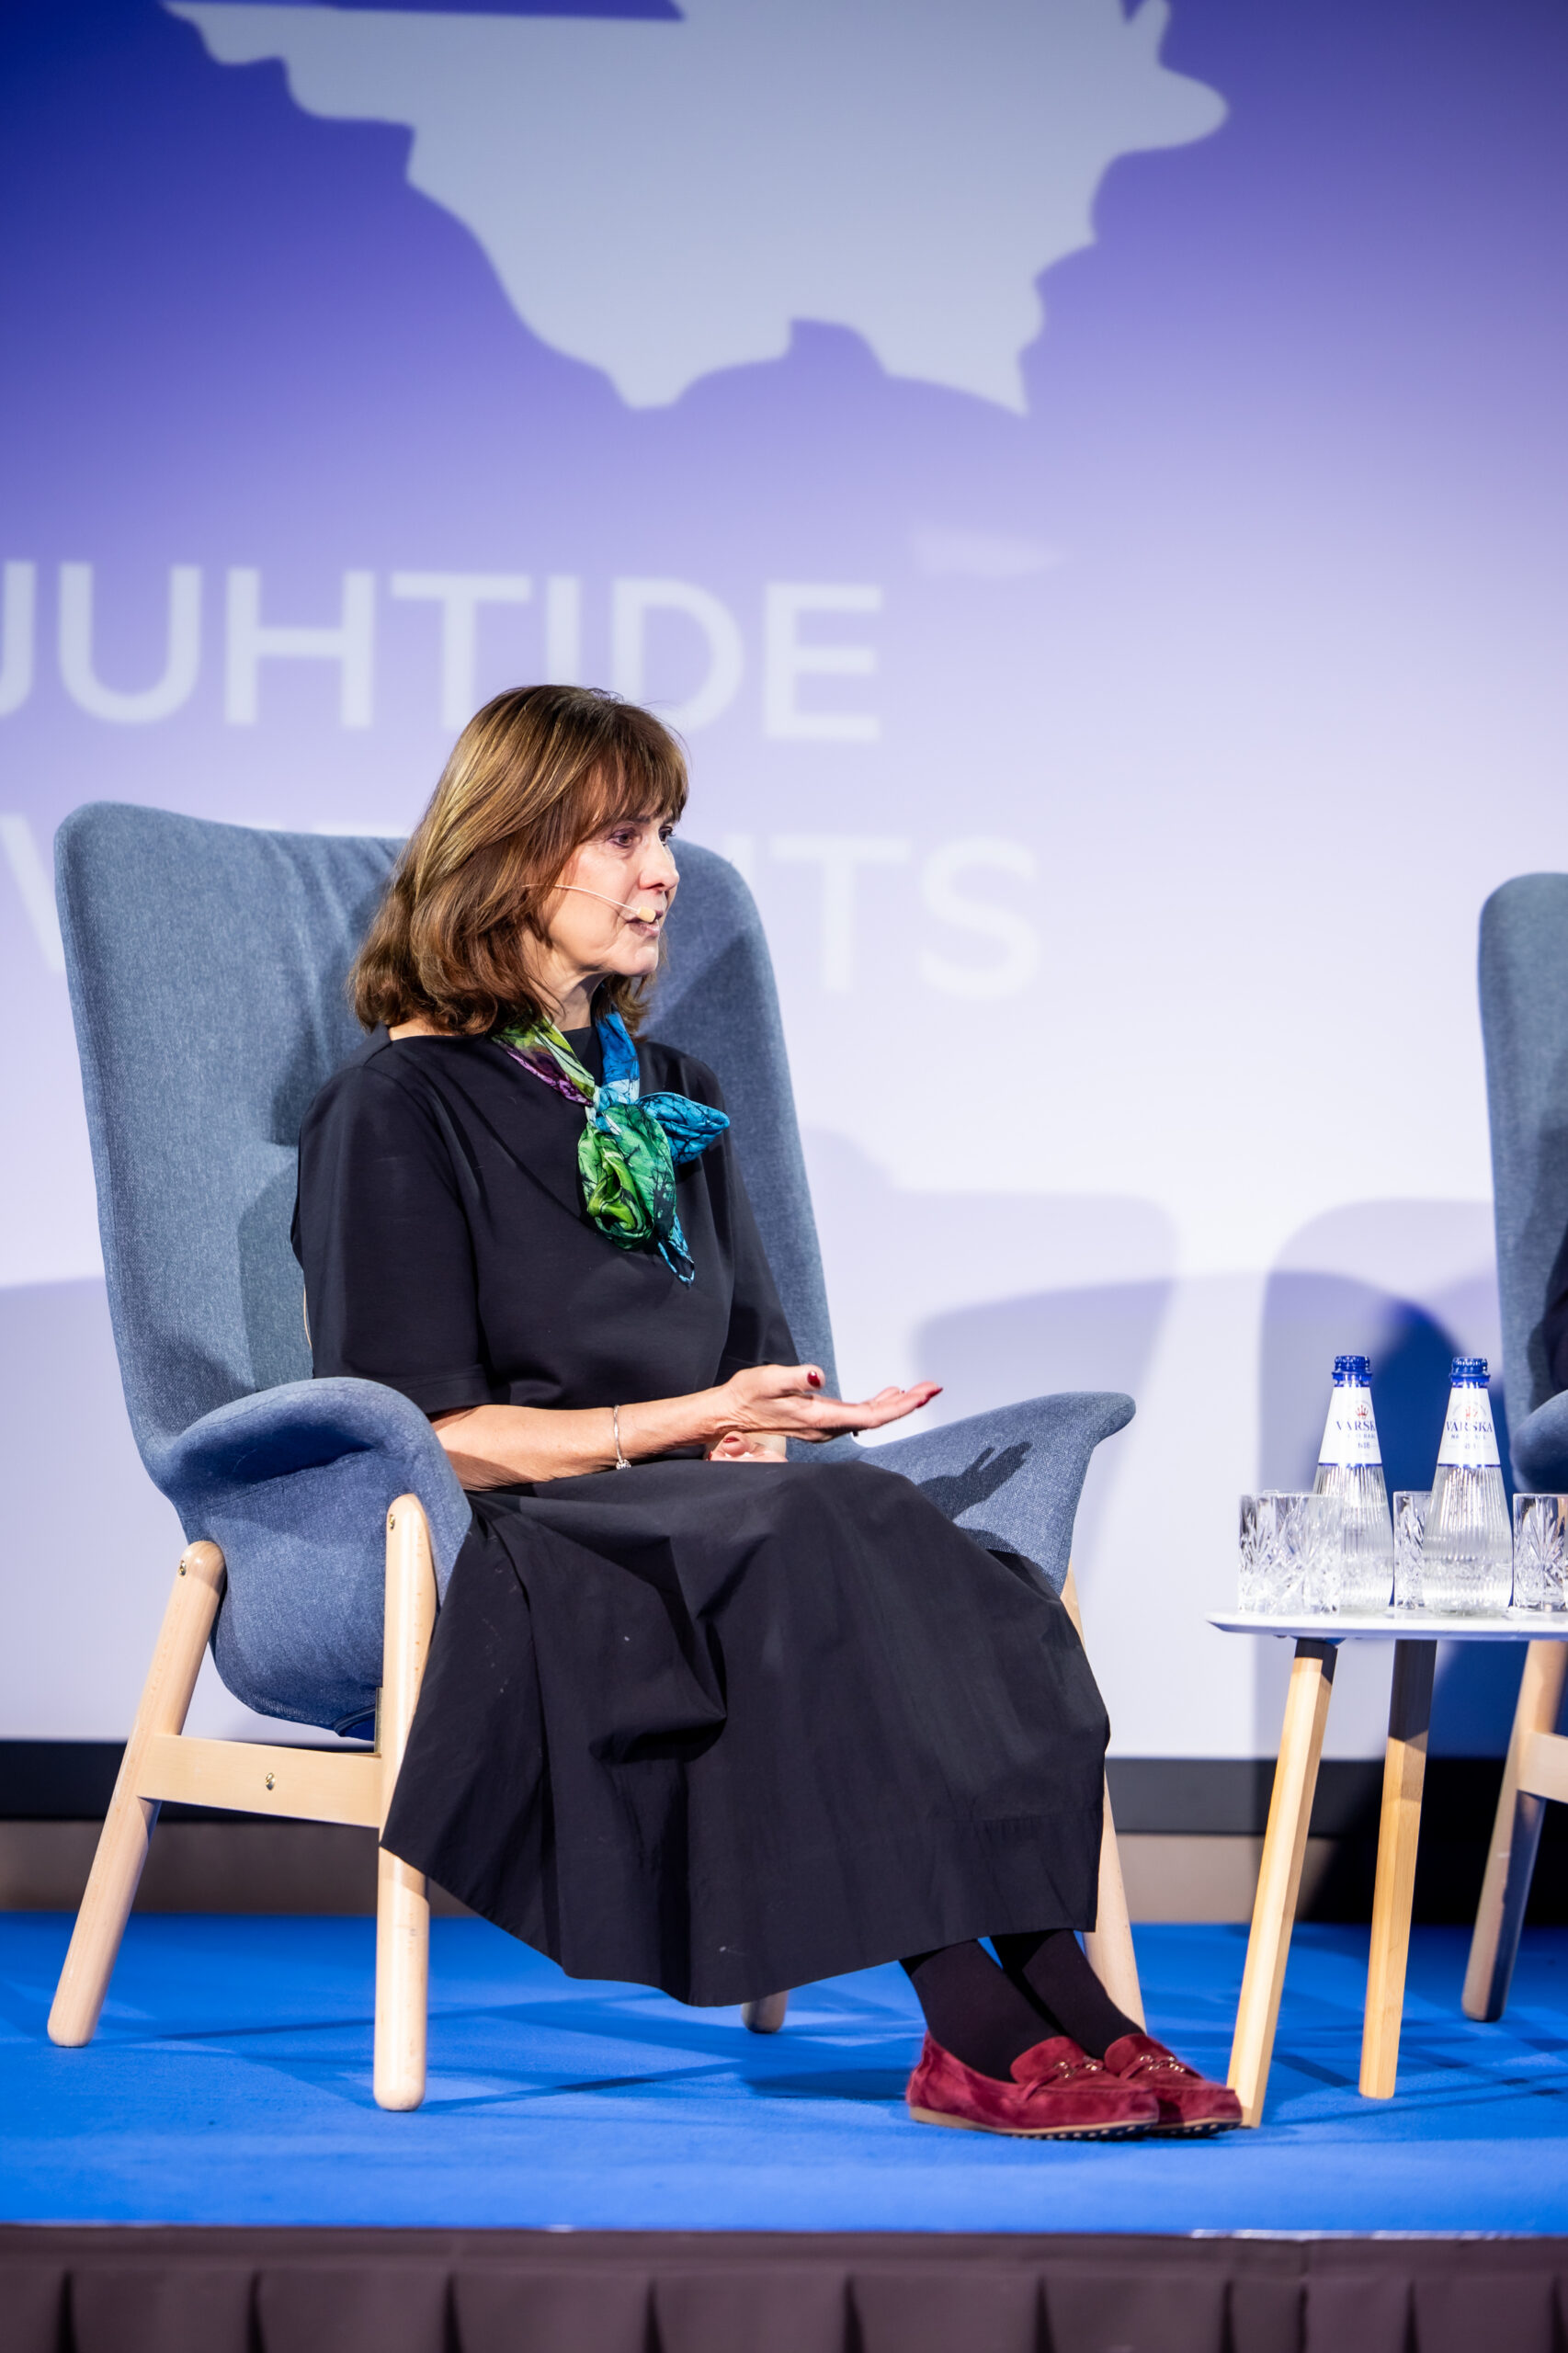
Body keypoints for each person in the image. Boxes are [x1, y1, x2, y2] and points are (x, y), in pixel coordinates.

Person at [292, 684, 1240, 2140]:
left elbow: (742, 1367)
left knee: (924, 1552)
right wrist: (676, 1429)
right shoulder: (397, 1106)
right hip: (537, 1533)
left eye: (665, 834)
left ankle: (1069, 1996)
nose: (664, 872)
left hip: (708, 1509)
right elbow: (430, 1432)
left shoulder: (671, 1090)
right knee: (820, 1537)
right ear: (509, 853)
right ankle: (976, 2020)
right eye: (620, 838)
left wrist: (782, 1419)